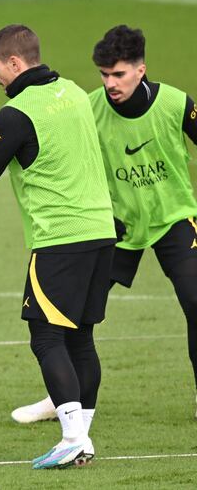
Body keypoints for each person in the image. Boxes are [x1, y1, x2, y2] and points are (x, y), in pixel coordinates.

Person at [0, 24, 116, 469]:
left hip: (60, 239)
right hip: (101, 232)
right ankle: (82, 437)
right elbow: (44, 148)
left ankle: (73, 437)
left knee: (45, 336)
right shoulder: (76, 92)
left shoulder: (17, 113)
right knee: (81, 336)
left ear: (16, 64)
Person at [11, 25, 197, 424]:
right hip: (111, 227)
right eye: (103, 74)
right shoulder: (86, 108)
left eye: (118, 74)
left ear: (141, 70)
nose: (110, 83)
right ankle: (61, 395)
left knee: (196, 301)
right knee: (66, 315)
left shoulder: (177, 104)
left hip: (174, 219)